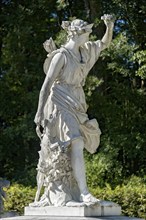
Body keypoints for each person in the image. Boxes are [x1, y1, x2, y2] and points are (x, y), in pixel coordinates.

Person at [33, 14, 115, 207]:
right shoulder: (61, 56)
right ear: (76, 34)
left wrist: (109, 26)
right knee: (76, 142)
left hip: (77, 101)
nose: (89, 35)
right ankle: (84, 193)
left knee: (74, 145)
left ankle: (76, 191)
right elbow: (46, 86)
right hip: (59, 101)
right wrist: (39, 113)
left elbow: (104, 43)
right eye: (86, 32)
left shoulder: (84, 51)